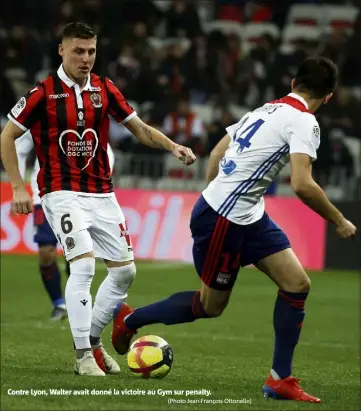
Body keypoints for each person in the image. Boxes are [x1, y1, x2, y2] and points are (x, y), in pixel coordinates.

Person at [112, 57, 356, 401]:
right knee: (210, 305)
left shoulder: (265, 109)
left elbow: (216, 153)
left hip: (246, 214)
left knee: (297, 284)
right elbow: (302, 184)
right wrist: (339, 220)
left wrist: (215, 193)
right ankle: (131, 318)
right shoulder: (305, 122)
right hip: (224, 219)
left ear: (292, 83)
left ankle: (279, 379)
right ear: (329, 96)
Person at [0, 21, 196, 377]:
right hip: (60, 192)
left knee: (125, 273)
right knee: (85, 266)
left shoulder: (105, 89)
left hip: (102, 194)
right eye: (78, 51)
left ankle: (92, 341)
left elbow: (139, 129)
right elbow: (7, 135)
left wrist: (172, 146)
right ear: (62, 50)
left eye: (91, 51)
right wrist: (17, 186)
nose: (86, 58)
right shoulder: (42, 93)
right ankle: (82, 357)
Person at [14, 131, 115, 320]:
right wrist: (18, 187)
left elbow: (105, 152)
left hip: (81, 197)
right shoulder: (41, 112)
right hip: (44, 194)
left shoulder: (89, 121)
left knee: (78, 253)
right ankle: (58, 304)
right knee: (46, 252)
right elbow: (18, 146)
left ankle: (75, 303)